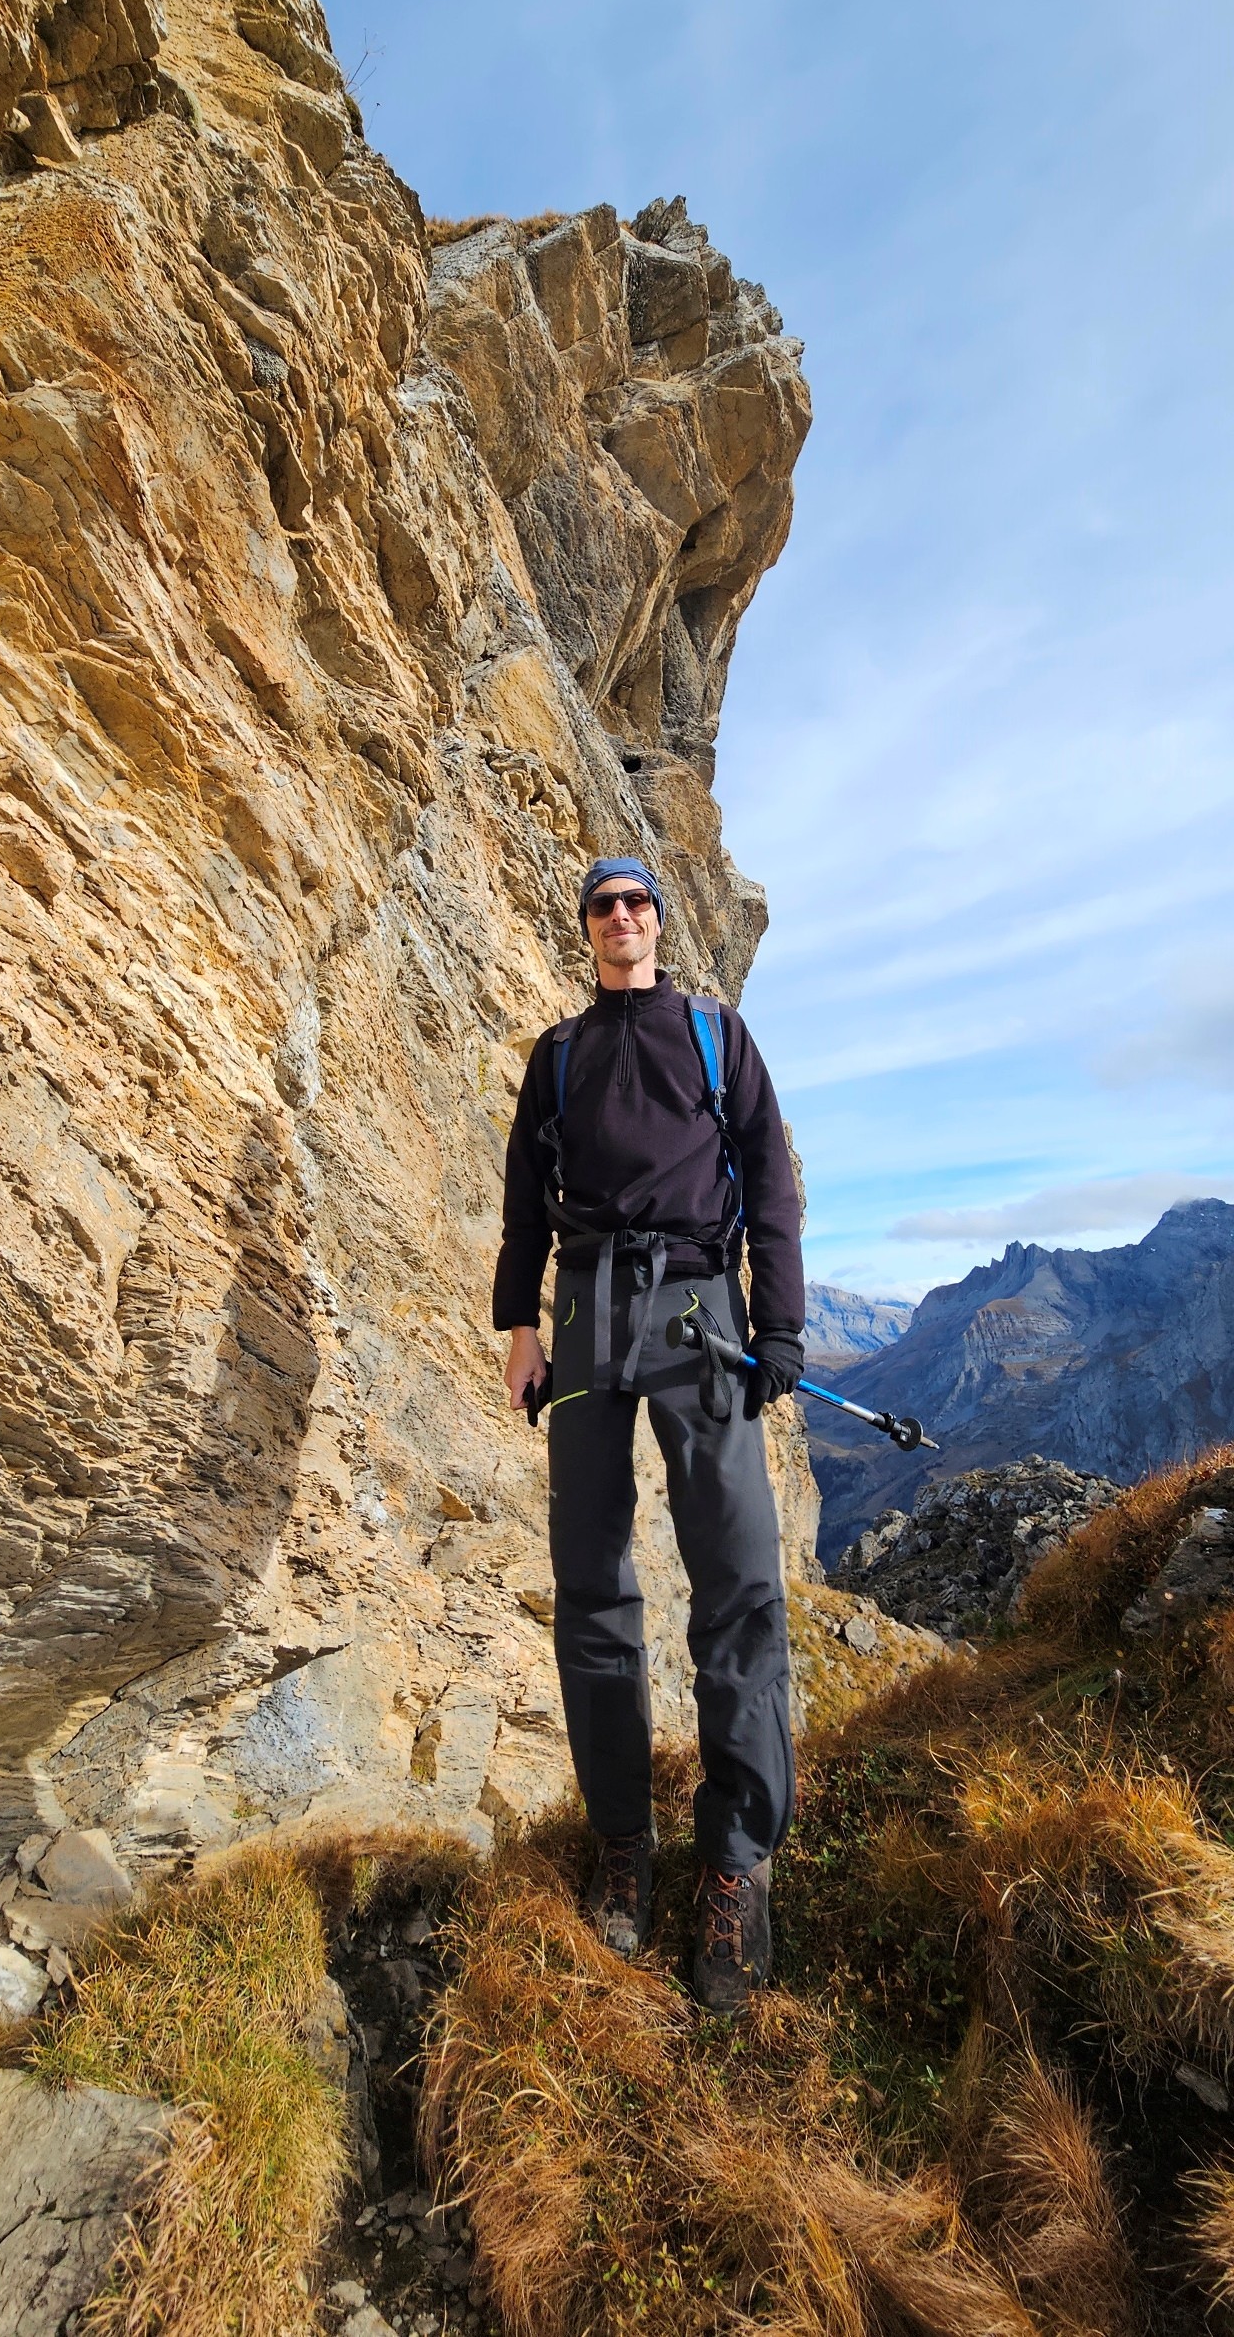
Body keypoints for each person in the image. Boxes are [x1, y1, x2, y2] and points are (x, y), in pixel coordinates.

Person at [493, 855, 805, 2012]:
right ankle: (623, 1839)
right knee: (590, 1580)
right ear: (585, 930)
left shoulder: (718, 1037)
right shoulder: (559, 1055)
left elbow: (767, 1183)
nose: (620, 919)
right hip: (585, 1314)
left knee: (735, 1574)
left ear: (659, 924)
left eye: (636, 904)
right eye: (601, 907)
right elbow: (526, 1199)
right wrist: (517, 1326)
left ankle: (736, 1860)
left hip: (695, 1306)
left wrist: (778, 1324)